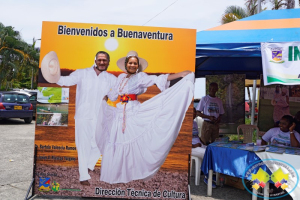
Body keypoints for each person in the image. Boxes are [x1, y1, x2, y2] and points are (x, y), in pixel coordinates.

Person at [95, 50, 194, 184]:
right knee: (118, 142)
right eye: (130, 62)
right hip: (120, 112)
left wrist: (180, 74)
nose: (132, 65)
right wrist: (104, 98)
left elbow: (157, 79)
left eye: (135, 63)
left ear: (138, 65)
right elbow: (113, 94)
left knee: (133, 141)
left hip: (133, 111)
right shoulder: (120, 78)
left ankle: (132, 172)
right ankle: (116, 174)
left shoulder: (140, 77)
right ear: (126, 64)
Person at [40, 51, 117, 186]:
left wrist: (109, 96)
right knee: (83, 146)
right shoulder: (82, 73)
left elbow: (115, 95)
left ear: (108, 62)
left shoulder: (111, 78)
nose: (102, 62)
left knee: (101, 143)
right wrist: (53, 73)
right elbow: (65, 81)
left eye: (105, 60)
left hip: (100, 116)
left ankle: (88, 164)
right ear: (95, 60)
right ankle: (83, 176)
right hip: (83, 116)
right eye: (100, 59)